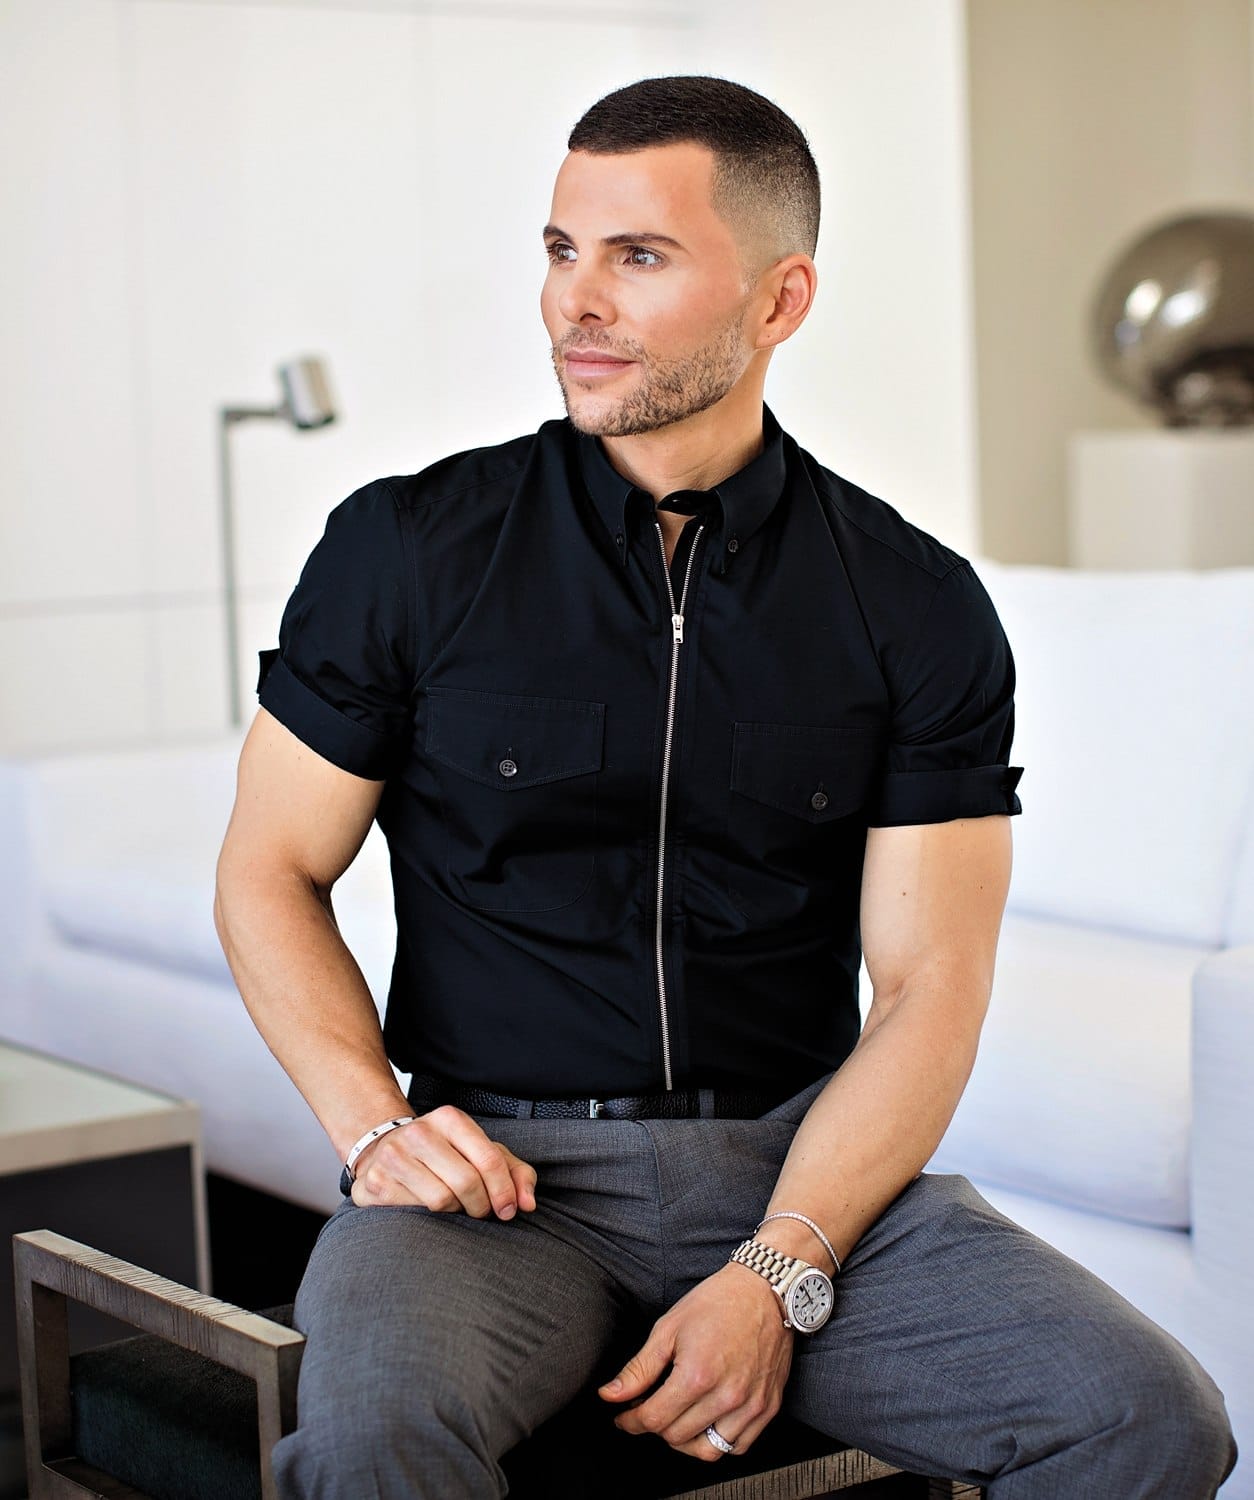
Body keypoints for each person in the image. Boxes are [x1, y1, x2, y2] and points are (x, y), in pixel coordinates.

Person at [213, 74, 1238, 1499]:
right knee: (380, 1437)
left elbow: (930, 987)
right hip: (497, 1189)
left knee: (1146, 1418)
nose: (576, 301)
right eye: (563, 249)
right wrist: (372, 1125)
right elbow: (270, 869)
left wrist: (780, 1268)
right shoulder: (408, 548)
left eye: (638, 257)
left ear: (778, 300)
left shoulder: (910, 602)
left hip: (796, 1169)